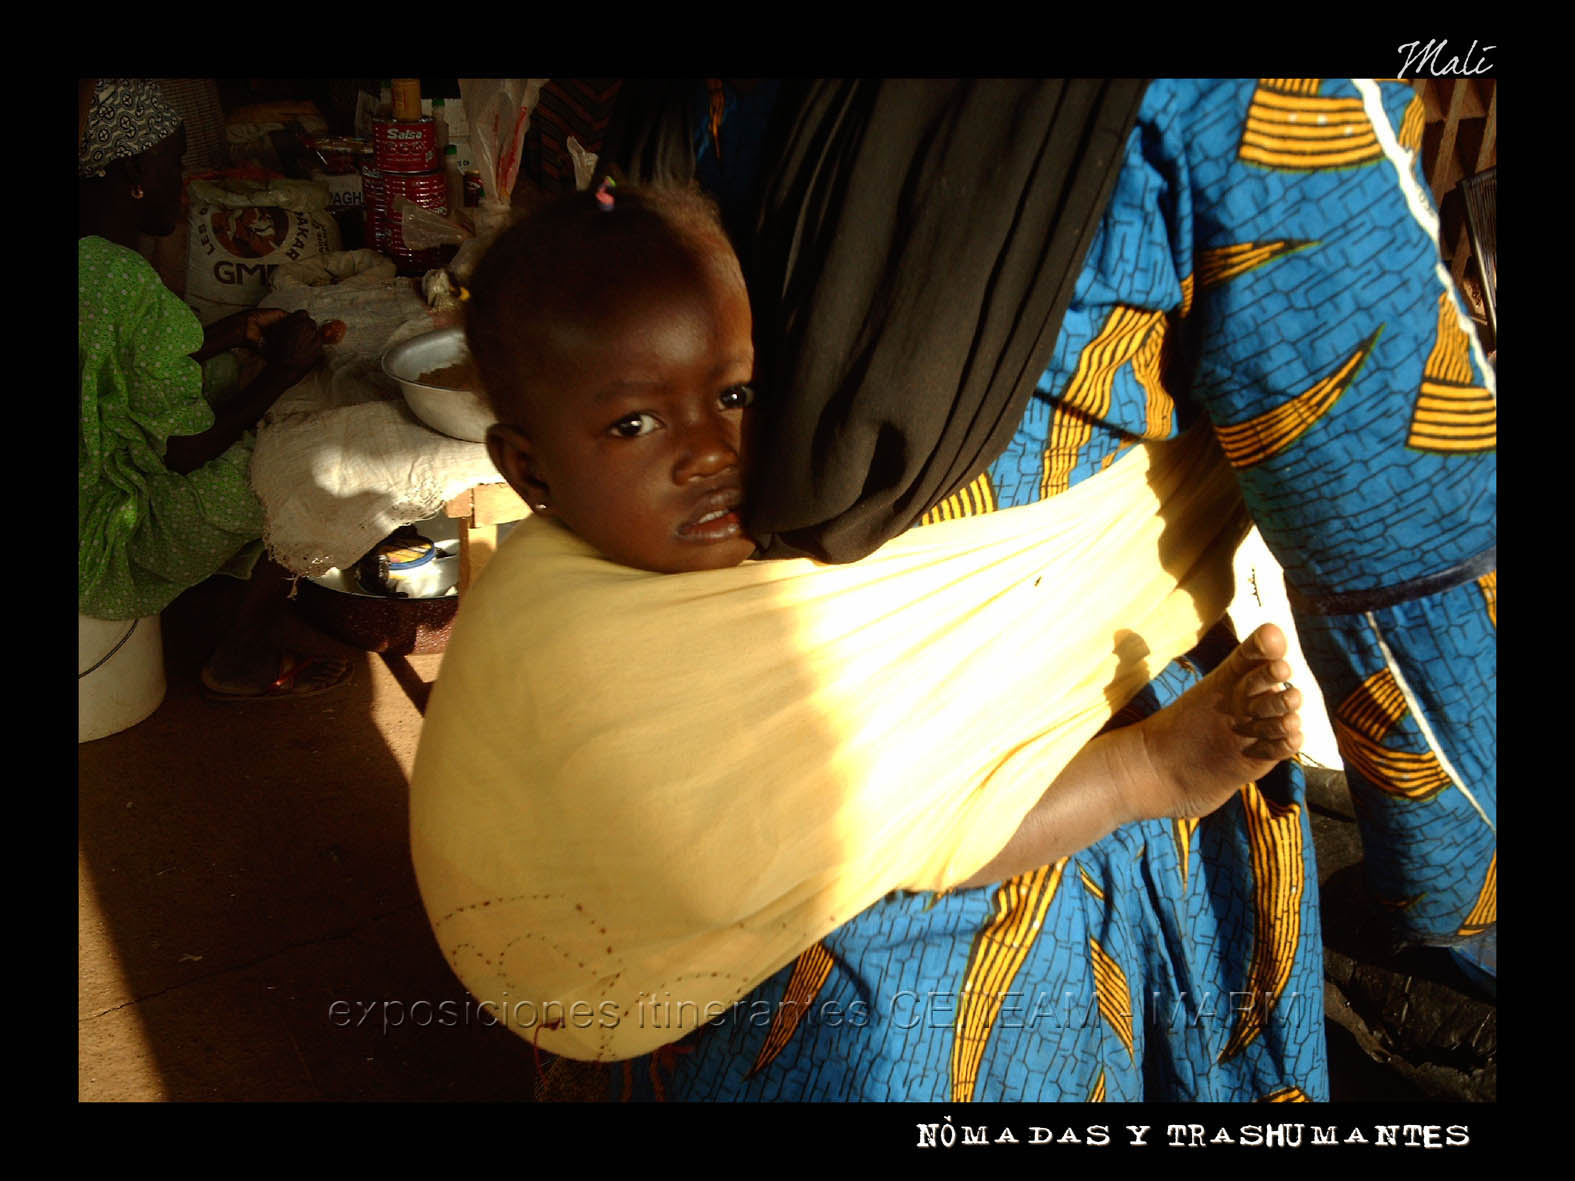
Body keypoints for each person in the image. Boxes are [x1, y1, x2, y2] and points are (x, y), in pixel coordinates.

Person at [555, 77, 1492, 1103]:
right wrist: (1461, 904)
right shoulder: (1247, 96)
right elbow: (1408, 563)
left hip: (677, 836)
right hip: (1029, 906)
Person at [411, 179, 1311, 1087]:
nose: (709, 451)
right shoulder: (539, 608)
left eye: (735, 393)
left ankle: (1140, 772)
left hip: (859, 858)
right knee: (897, 827)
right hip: (617, 954)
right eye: (633, 424)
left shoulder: (832, 548)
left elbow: (916, 809)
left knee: (919, 818)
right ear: (528, 470)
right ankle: (1140, 774)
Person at [78, 78, 352, 700]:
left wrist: (226, 335)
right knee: (298, 465)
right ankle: (244, 652)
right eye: (174, 163)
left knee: (229, 378)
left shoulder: (92, 261)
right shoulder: (121, 276)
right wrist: (285, 370)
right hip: (99, 539)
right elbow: (186, 453)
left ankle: (235, 585)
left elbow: (113, 362)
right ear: (131, 172)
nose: (185, 181)